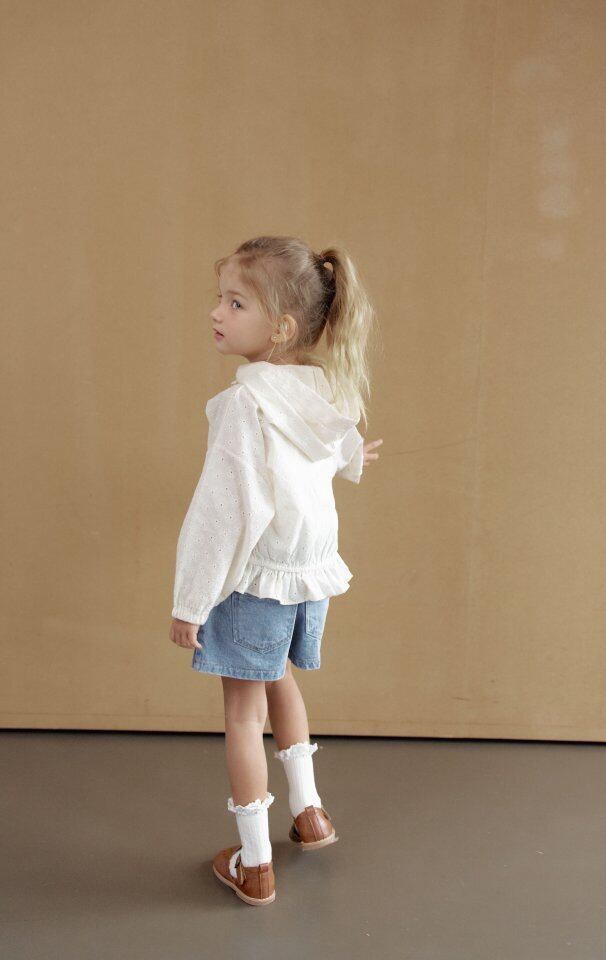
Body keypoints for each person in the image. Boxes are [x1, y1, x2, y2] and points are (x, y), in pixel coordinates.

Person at [169, 235, 383, 906]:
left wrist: (191, 602)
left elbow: (221, 512)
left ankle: (255, 862)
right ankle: (310, 813)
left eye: (236, 303)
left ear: (282, 327)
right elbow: (330, 443)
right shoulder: (318, 387)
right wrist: (354, 458)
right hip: (309, 574)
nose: (217, 312)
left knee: (242, 714)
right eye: (220, 299)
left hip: (256, 579)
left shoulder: (245, 404)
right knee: (280, 679)